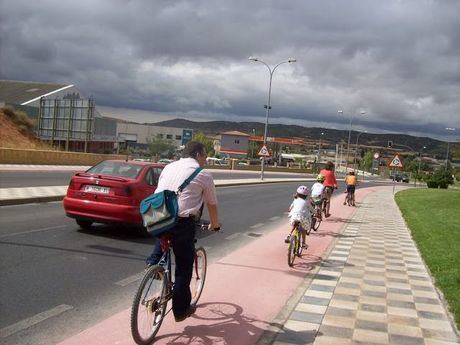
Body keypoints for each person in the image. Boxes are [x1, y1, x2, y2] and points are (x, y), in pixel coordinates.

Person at [145, 141, 220, 322]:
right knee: (184, 268)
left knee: (164, 234)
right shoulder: (203, 175)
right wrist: (215, 224)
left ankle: (153, 265)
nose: (206, 160)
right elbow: (212, 204)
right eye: (205, 156)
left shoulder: (169, 166)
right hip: (182, 222)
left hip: (158, 216)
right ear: (199, 154)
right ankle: (180, 310)